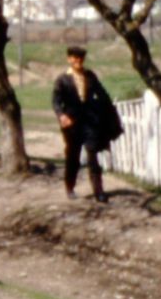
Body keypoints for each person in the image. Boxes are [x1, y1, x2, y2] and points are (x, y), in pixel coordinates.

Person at [52, 45, 121, 202]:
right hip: (72, 124)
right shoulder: (62, 80)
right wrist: (61, 116)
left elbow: (102, 93)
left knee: (93, 157)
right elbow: (56, 101)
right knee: (73, 157)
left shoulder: (90, 76)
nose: (78, 61)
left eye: (81, 58)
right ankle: (70, 187)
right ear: (69, 59)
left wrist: (108, 111)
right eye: (75, 58)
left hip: (90, 123)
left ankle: (99, 192)